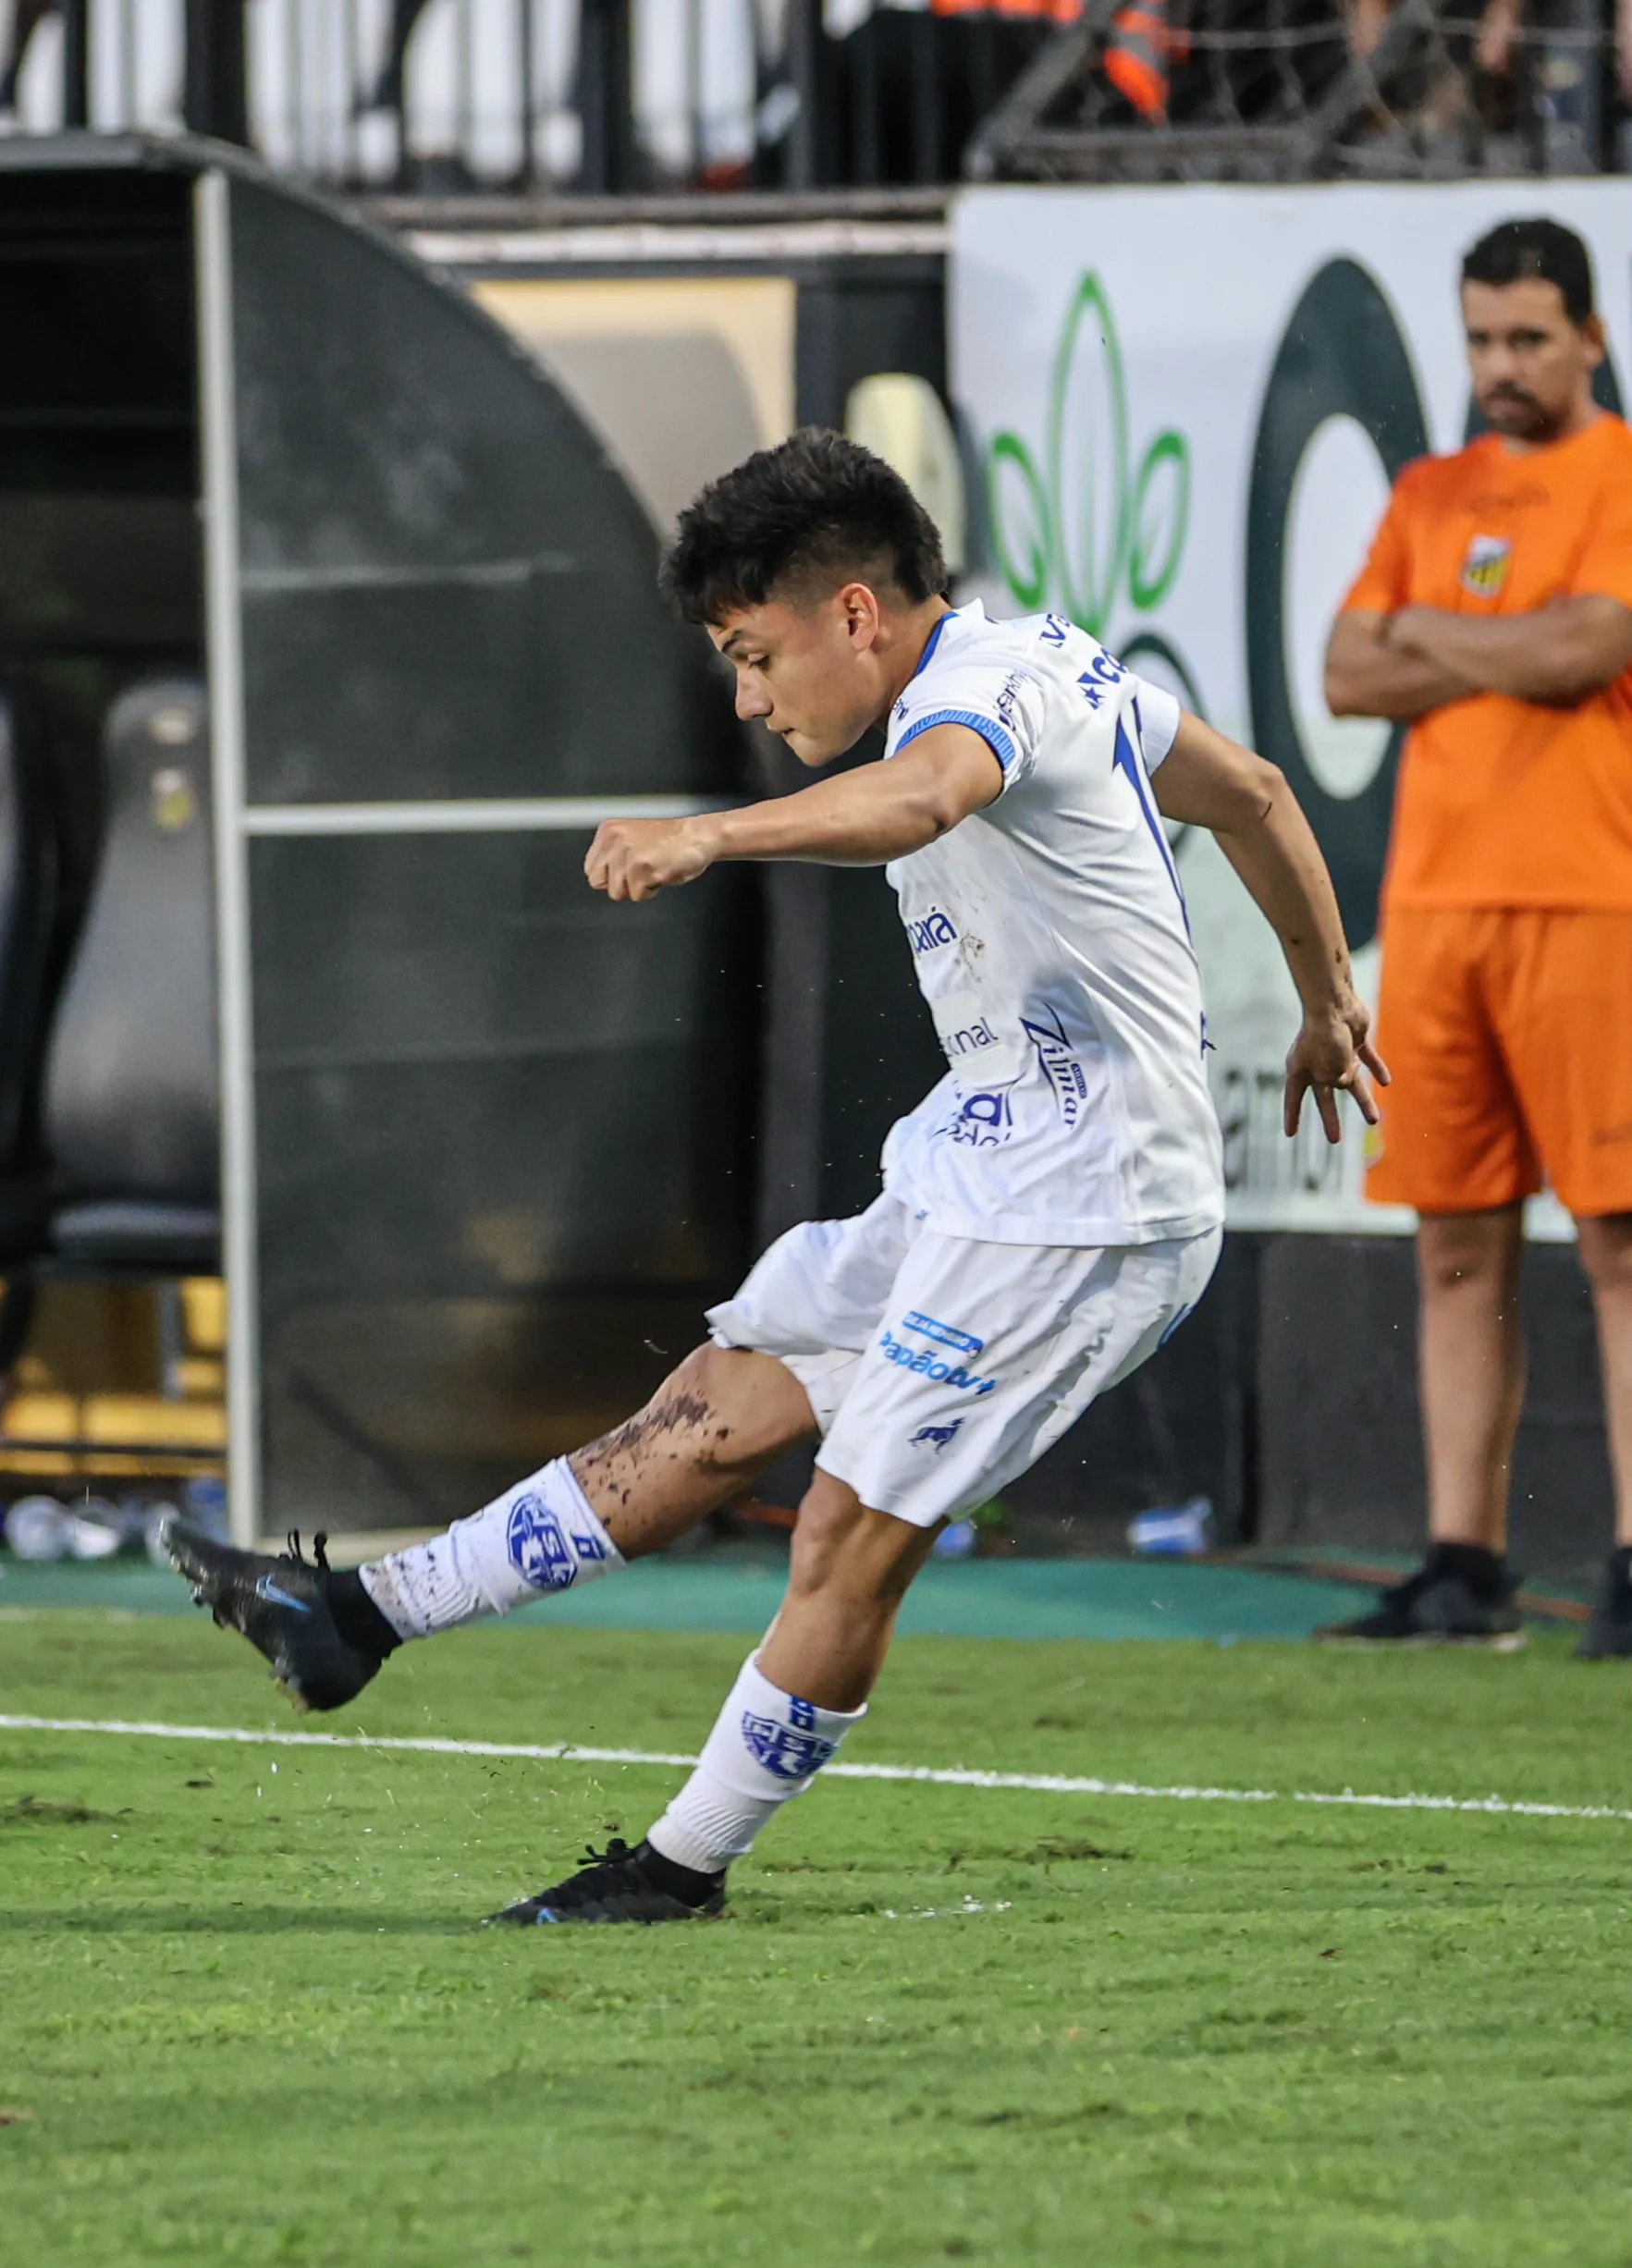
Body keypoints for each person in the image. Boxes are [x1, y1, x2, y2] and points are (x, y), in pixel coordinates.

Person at [162, 429, 1380, 1923]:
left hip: (1092, 1206)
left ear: (855, 614)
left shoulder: (981, 697)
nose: (747, 695)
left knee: (843, 1533)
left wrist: (708, 837)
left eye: (755, 654)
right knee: (719, 1408)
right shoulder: (1051, 661)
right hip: (990, 1155)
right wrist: (1324, 1004)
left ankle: (679, 1871)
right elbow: (1251, 791)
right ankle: (354, 1616)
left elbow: (925, 802)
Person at [1321, 217, 1632, 1657]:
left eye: (1528, 338)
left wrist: (1431, 635)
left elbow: (1590, 647)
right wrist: (1503, 640)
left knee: (1622, 1243)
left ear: (1592, 338)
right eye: (1482, 340)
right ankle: (1464, 1564)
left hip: (1595, 900)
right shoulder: (1432, 486)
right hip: (1435, 911)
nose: (1500, 366)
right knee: (1456, 1246)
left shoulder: (1621, 472)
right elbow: (1342, 670)